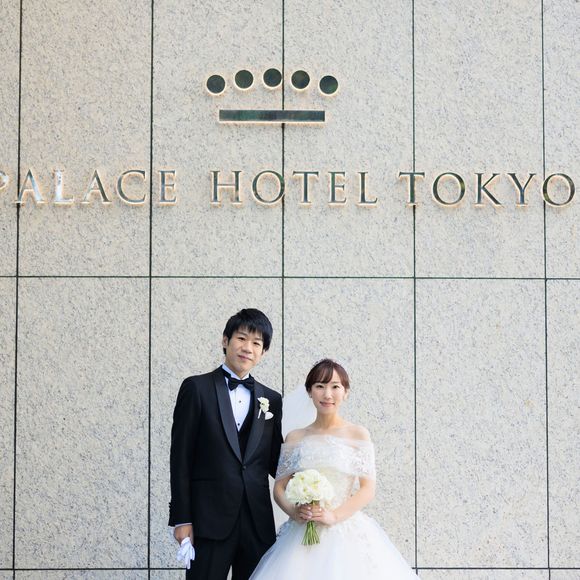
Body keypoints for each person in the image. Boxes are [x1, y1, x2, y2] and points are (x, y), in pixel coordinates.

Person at [250, 359, 421, 579]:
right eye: (320, 386)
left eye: (335, 386)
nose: (327, 394)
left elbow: (367, 488)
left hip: (344, 529)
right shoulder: (295, 437)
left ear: (345, 392)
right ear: (309, 391)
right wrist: (295, 512)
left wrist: (334, 516)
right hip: (302, 531)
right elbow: (279, 488)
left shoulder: (358, 434)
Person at [168, 308, 283, 580]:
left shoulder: (271, 399)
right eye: (241, 338)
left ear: (263, 352)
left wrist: (313, 484)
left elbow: (276, 461)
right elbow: (180, 457)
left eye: (256, 343)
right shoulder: (196, 388)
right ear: (225, 340)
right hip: (209, 521)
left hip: (256, 522)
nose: (247, 348)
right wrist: (182, 518)